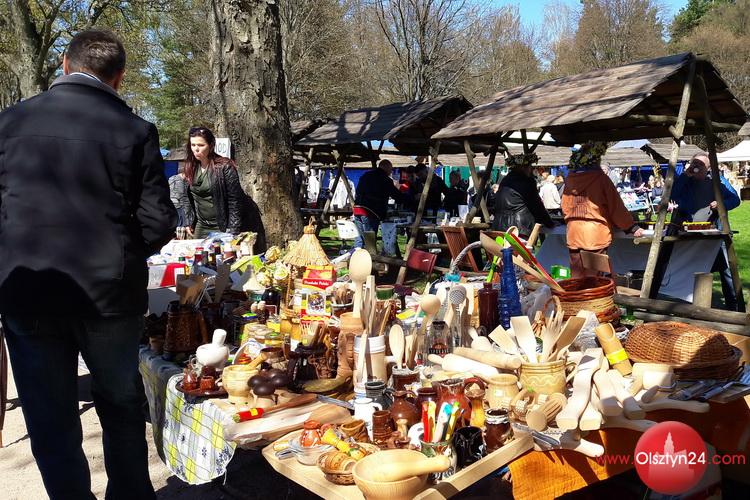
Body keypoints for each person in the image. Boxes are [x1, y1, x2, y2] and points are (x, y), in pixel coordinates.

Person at [0, 29, 176, 499]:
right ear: (119, 78)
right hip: (108, 293)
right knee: (120, 406)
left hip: (29, 291)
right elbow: (158, 222)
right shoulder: (133, 129)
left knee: (49, 416)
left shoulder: (10, 122)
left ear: (65, 64)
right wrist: (119, 253)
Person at [669, 152, 740, 309]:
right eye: (695, 162)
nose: (697, 166)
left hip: (715, 232)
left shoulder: (717, 180)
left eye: (701, 164)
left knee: (726, 271)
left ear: (708, 168)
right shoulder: (685, 180)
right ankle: (689, 302)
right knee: (690, 267)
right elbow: (671, 195)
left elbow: (735, 200)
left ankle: (734, 306)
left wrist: (721, 203)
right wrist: (684, 176)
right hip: (690, 232)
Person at [561, 142, 643, 278]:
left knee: (576, 278)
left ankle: (577, 293)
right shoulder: (601, 179)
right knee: (594, 280)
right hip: (595, 235)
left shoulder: (569, 181)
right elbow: (616, 207)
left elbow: (565, 206)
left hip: (574, 233)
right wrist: (631, 227)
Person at [183, 126, 254, 239]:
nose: (196, 149)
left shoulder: (225, 167)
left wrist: (233, 230)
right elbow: (187, 197)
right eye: (193, 145)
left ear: (211, 145)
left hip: (222, 227)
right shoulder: (190, 167)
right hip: (200, 226)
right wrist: (188, 221)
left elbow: (235, 201)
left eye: (201, 145)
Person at [492, 153, 554, 237]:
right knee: (521, 246)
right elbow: (536, 205)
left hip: (500, 226)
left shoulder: (505, 180)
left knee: (503, 246)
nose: (531, 169)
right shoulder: (527, 181)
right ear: (523, 167)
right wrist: (550, 223)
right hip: (519, 228)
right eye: (529, 166)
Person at [353, 159, 403, 248]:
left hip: (357, 209)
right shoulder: (385, 179)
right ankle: (369, 255)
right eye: (391, 169)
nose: (391, 171)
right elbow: (396, 195)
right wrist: (410, 199)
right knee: (370, 240)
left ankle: (356, 255)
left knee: (359, 238)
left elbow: (358, 191)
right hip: (370, 211)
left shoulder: (366, 175)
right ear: (386, 167)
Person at [169, 163, 192, 236]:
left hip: (173, 210)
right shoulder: (179, 181)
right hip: (179, 210)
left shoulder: (172, 178)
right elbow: (183, 200)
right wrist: (187, 222)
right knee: (180, 229)